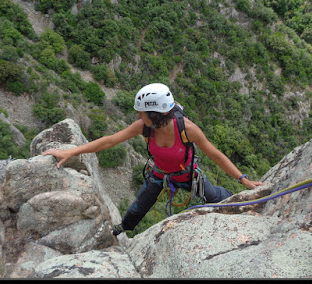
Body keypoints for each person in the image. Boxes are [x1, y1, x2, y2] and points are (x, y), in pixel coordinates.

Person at [43, 83, 264, 235]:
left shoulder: (187, 129)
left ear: (155, 115)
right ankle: (121, 231)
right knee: (138, 209)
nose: (139, 116)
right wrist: (70, 152)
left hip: (188, 175)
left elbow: (215, 154)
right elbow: (109, 141)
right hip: (159, 175)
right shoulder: (143, 127)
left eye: (142, 113)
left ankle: (240, 199)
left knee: (215, 196)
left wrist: (243, 180)